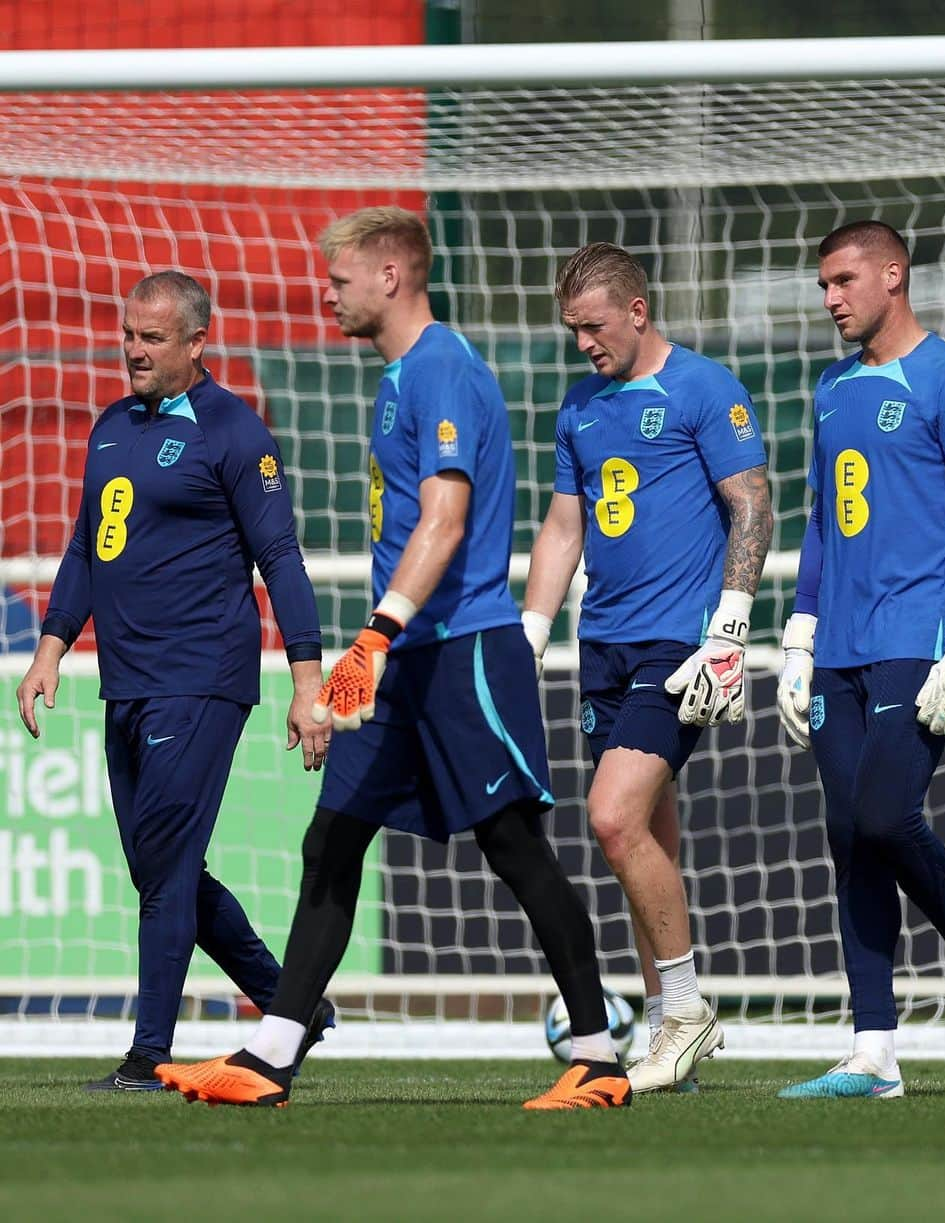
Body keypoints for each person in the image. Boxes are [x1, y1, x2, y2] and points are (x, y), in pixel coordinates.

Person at [153, 207, 631, 1111]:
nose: (325, 295)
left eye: (337, 281)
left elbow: (446, 523)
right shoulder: (400, 378)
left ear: (391, 276)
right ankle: (272, 1053)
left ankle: (600, 1057)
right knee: (331, 837)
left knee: (516, 847)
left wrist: (368, 641)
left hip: (459, 649)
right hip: (404, 653)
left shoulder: (443, 369)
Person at [15, 271, 335, 1091]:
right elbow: (89, 545)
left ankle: (147, 1054)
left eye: (151, 338)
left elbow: (282, 559)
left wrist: (309, 682)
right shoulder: (112, 427)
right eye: (129, 334)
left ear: (197, 343)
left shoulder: (234, 431)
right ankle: (294, 1006)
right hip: (124, 679)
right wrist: (52, 645)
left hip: (202, 676)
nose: (133, 350)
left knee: (164, 865)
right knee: (163, 867)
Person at [522, 242, 773, 1094]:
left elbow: (752, 502)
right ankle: (674, 1031)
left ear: (636, 311)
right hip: (606, 646)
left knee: (612, 818)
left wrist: (731, 629)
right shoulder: (580, 406)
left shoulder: (704, 387)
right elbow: (565, 528)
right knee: (645, 840)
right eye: (572, 330)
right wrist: (532, 630)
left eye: (594, 327)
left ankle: (689, 1013)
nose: (584, 343)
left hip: (681, 647)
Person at [775, 220, 945, 1099]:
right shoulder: (833, 387)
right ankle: (873, 1049)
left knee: (884, 814)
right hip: (837, 640)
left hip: (919, 636)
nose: (832, 298)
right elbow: (816, 520)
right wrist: (799, 634)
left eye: (843, 280)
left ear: (893, 274)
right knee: (848, 838)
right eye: (823, 286)